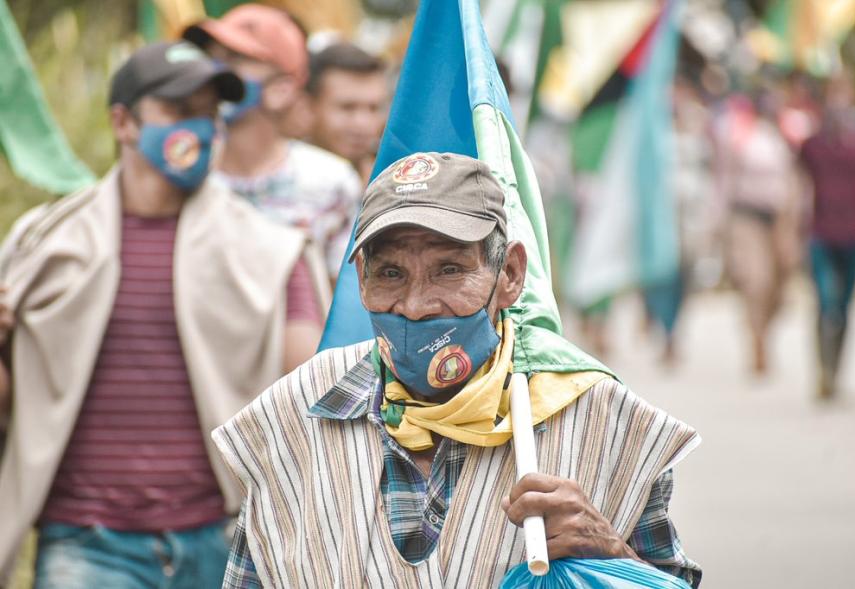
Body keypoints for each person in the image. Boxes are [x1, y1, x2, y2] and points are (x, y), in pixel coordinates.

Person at [214, 152, 703, 587]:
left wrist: (611, 552)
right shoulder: (290, 416)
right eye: (390, 274)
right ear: (361, 280)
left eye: (449, 269)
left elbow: (666, 580)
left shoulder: (605, 421)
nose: (416, 305)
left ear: (510, 275)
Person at [0, 41, 326, 587]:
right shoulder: (44, 246)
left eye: (208, 113)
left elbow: (309, 396)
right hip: (87, 543)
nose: (199, 130)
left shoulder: (270, 253)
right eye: (178, 111)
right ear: (123, 123)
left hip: (226, 541)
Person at [183, 4, 363, 284]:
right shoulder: (183, 172)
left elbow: (342, 300)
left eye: (234, 59)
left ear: (282, 89)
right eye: (211, 57)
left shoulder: (331, 183)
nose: (213, 72)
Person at [798, 71, 855, 399]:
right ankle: (824, 371)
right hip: (820, 232)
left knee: (845, 306)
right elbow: (801, 187)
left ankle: (836, 368)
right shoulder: (813, 144)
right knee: (825, 299)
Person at [716, 92, 800, 375]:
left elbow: (795, 180)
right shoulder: (740, 137)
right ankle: (757, 340)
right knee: (756, 280)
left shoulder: (786, 136)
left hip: (779, 219)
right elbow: (725, 179)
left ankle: (766, 330)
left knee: (781, 282)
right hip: (746, 217)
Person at [306, 41, 390, 185]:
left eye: (374, 108)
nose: (363, 123)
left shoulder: (394, 182)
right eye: (347, 107)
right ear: (309, 106)